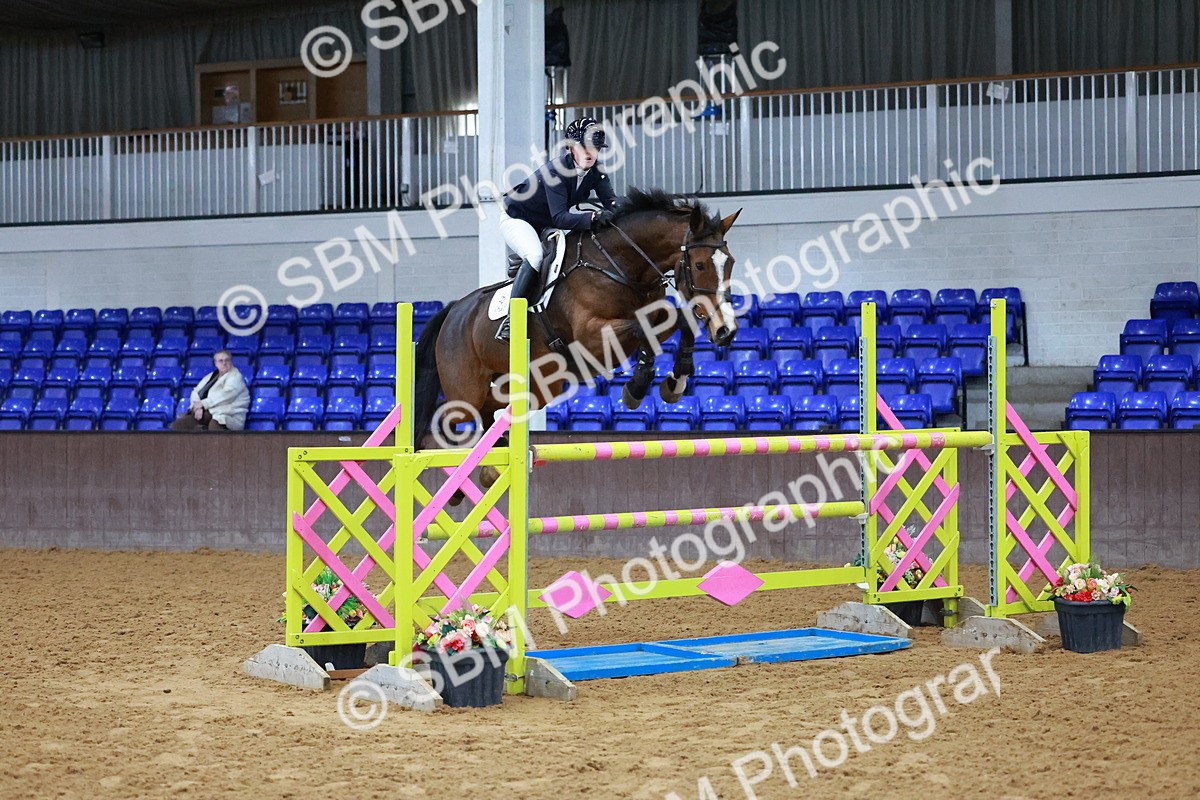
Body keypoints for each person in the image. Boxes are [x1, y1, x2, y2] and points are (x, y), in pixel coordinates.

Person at [495, 116, 618, 340]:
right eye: (585, 147)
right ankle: (512, 320)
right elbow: (560, 217)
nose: (592, 152)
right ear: (572, 147)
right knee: (534, 255)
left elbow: (613, 205)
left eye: (597, 147)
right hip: (518, 218)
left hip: (545, 223)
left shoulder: (596, 172)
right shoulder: (556, 171)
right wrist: (594, 217)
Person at [171, 349, 250, 431]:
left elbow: (226, 395)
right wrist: (198, 408)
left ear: (231, 362)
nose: (224, 363)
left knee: (214, 425)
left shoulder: (236, 377)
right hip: (211, 412)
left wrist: (203, 404)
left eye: (227, 360)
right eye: (221, 361)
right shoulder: (211, 376)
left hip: (229, 415)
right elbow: (196, 392)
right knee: (180, 424)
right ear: (215, 363)